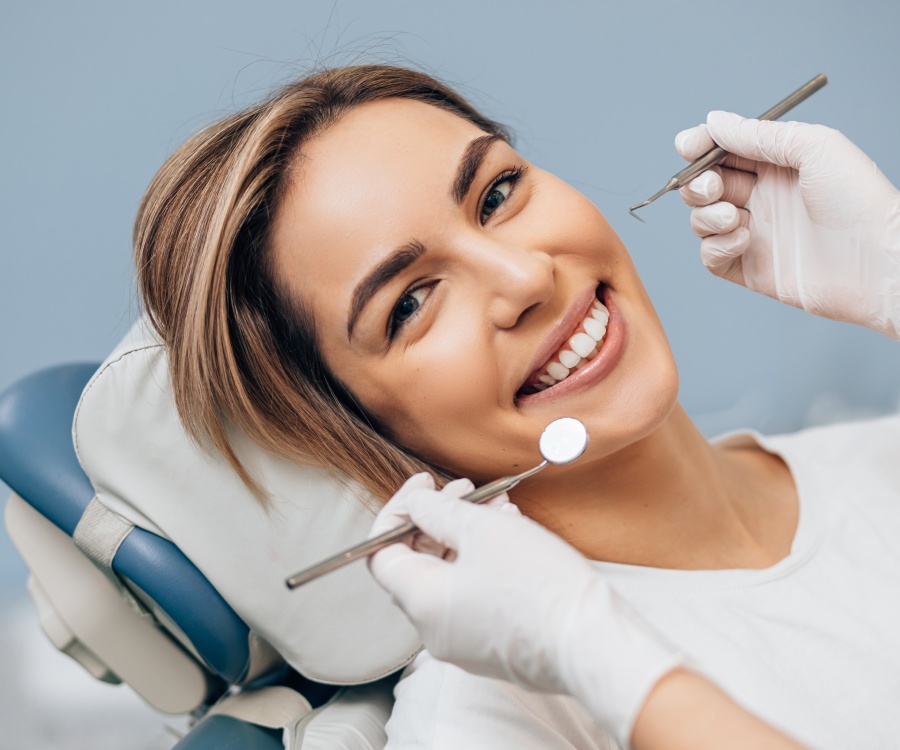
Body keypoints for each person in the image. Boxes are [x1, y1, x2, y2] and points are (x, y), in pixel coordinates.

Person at [133, 64, 900, 750]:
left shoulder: (876, 459)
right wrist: (592, 649)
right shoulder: (486, 721)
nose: (525, 278)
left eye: (495, 195)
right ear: (350, 425)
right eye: (410, 304)